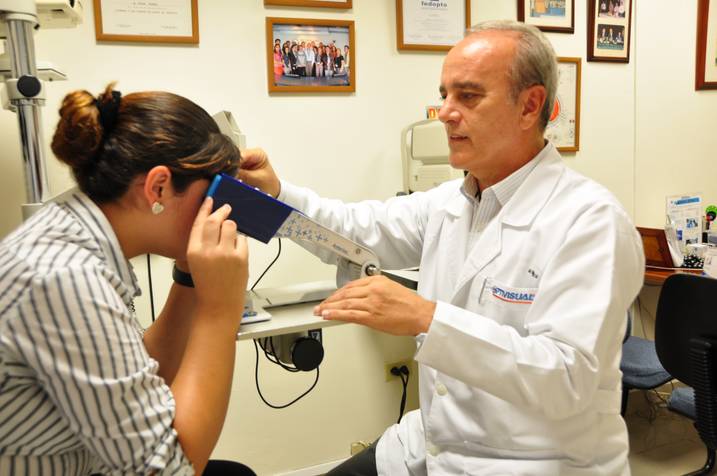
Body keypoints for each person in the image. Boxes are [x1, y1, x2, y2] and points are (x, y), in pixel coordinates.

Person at [239, 20, 644, 475]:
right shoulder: (451, 202)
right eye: (445, 95)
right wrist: (271, 195)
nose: (445, 112)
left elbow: (567, 379)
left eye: (468, 96)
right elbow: (352, 232)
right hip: (433, 443)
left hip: (536, 461)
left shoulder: (589, 221)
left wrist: (426, 318)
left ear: (530, 106)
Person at [0, 84, 254, 475]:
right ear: (158, 187)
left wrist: (190, 279)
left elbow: (144, 373)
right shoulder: (65, 277)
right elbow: (168, 470)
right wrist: (220, 310)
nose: (219, 209)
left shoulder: (76, 231)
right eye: (214, 192)